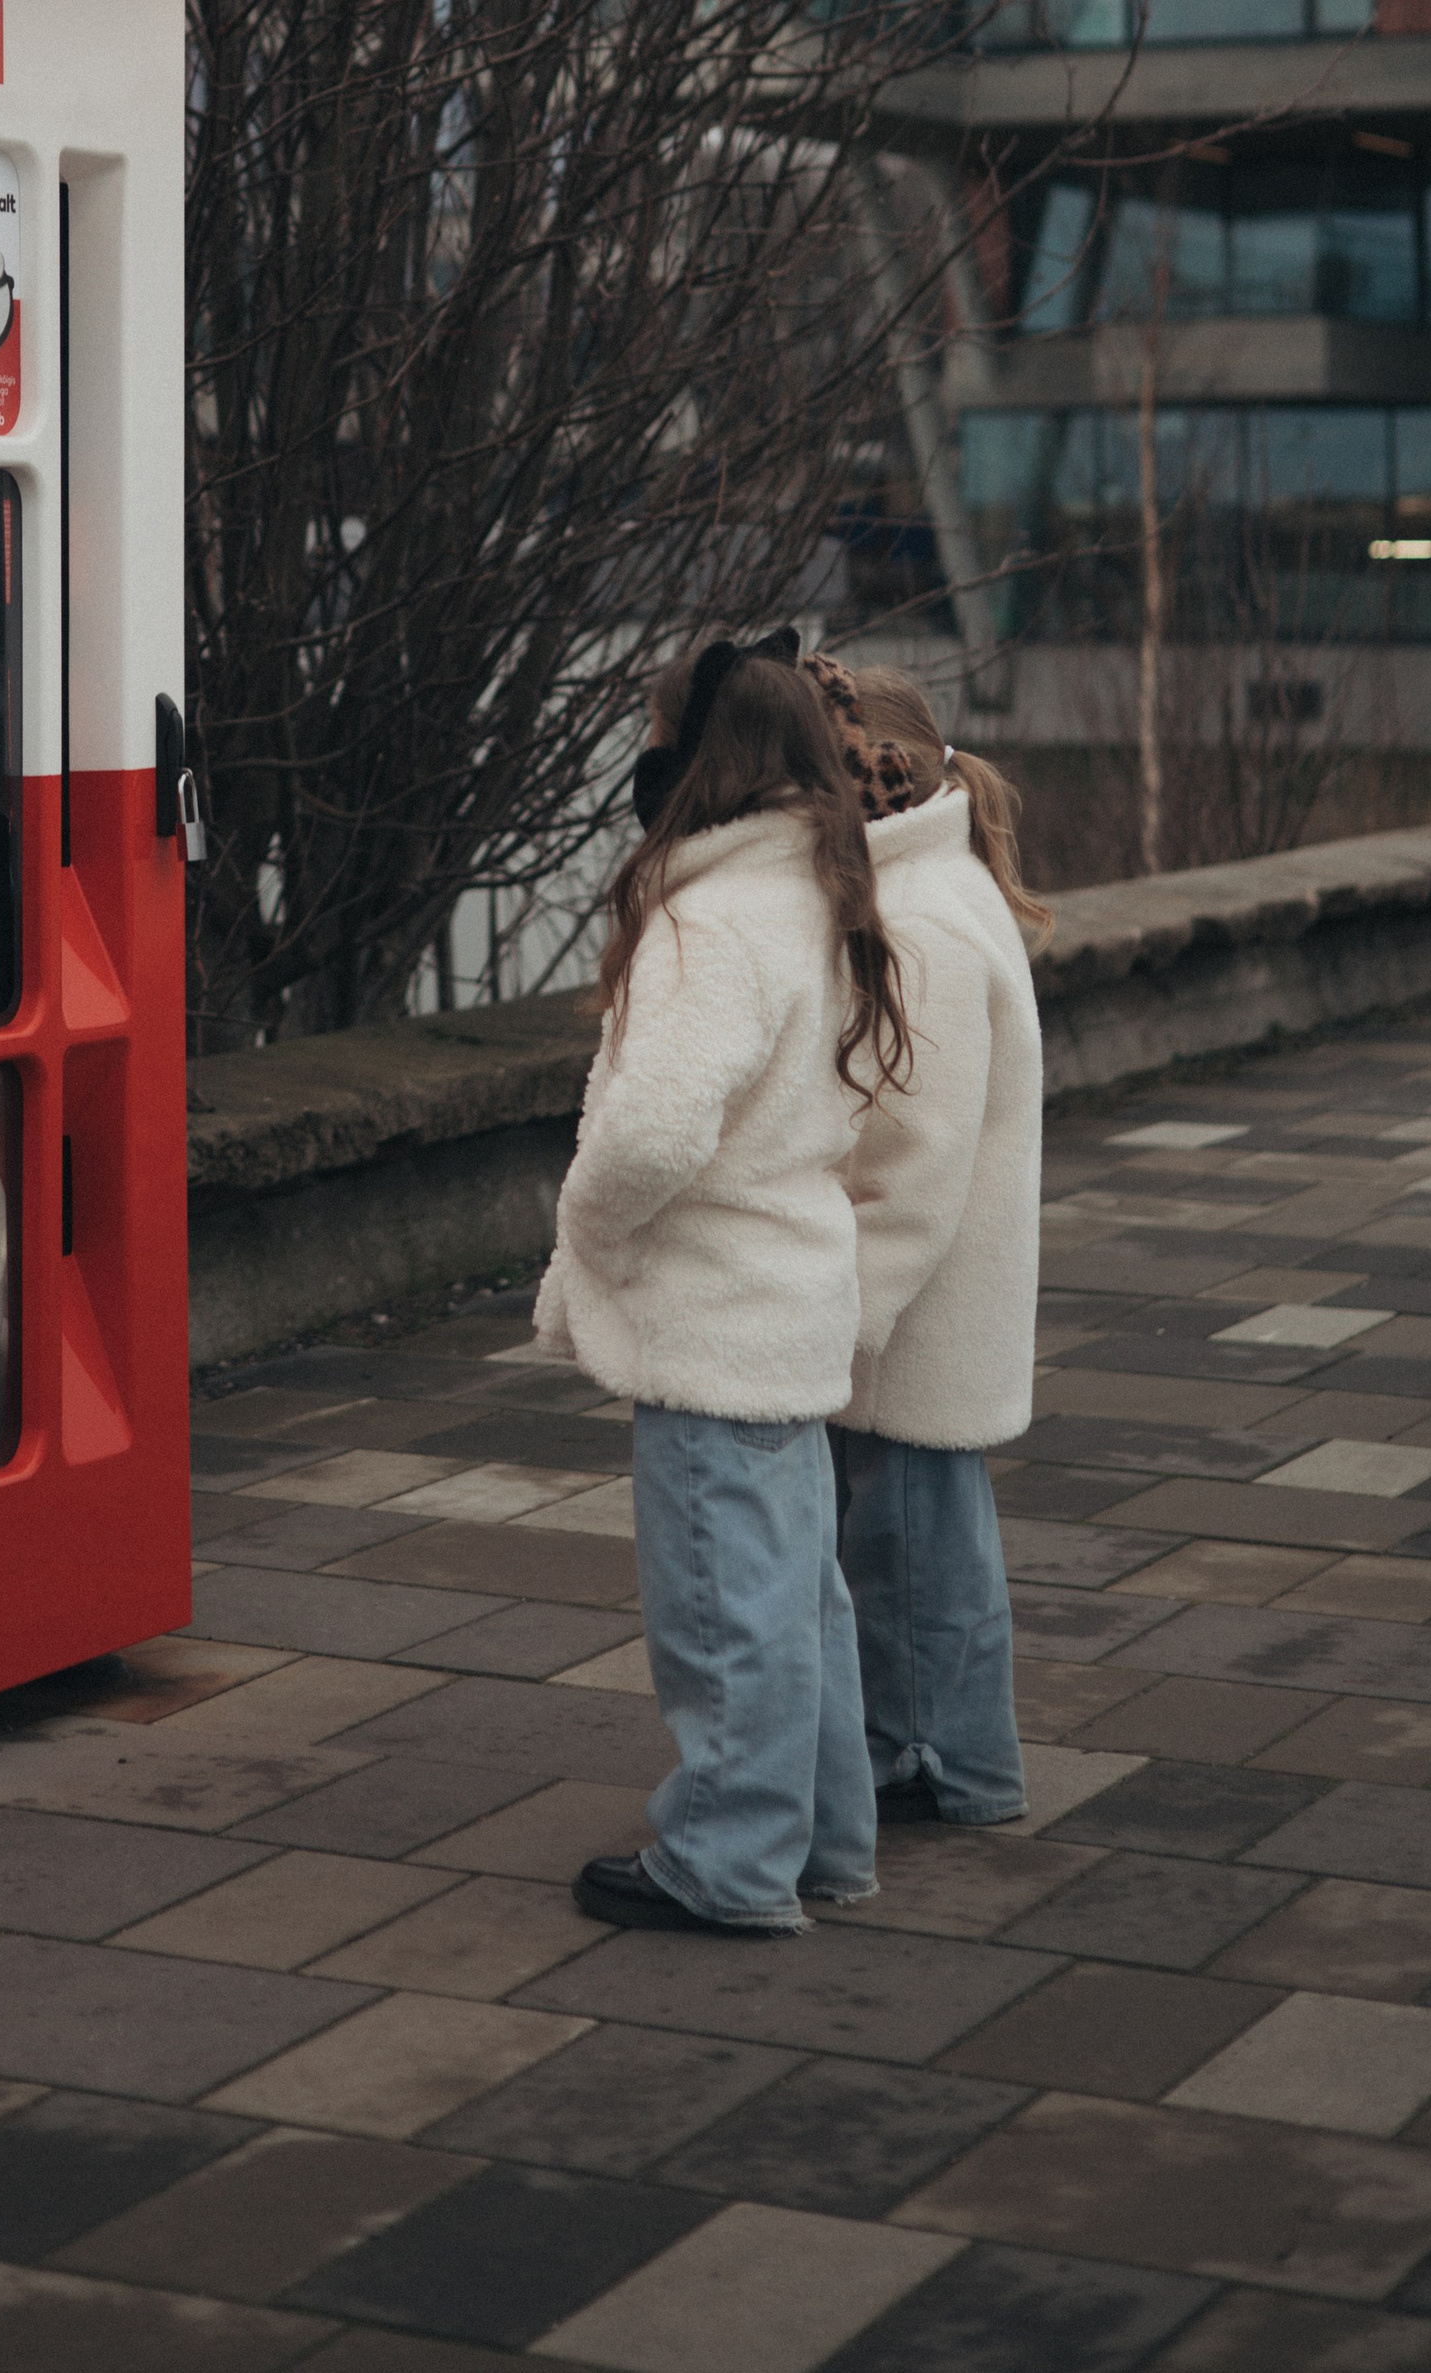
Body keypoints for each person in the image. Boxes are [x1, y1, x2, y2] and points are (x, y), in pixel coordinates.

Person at [536, 636, 913, 1935]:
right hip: (792, 1300)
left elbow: (647, 1136)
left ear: (702, 757)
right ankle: (825, 1843)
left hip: (710, 1322)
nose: (644, 756)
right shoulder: (821, 897)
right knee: (802, 1602)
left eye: (656, 732)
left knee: (723, 1614)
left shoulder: (712, 918)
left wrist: (585, 1223)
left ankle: (728, 1862)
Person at [804, 655, 1050, 1829]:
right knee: (930, 1547)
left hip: (906, 1319)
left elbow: (910, 1164)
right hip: (938, 1313)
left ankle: (933, 1764)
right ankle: (954, 1757)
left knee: (906, 1556)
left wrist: (837, 1334)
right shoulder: (941, 890)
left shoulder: (913, 923)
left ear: (866, 781)